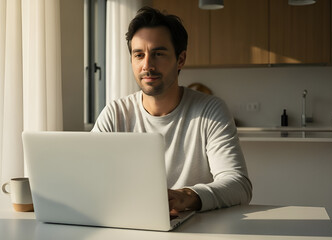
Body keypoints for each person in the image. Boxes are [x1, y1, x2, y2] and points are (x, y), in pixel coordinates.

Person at [91, 6, 252, 215]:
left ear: (181, 59)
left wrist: (187, 197)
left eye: (158, 54)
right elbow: (88, 175)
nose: (147, 65)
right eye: (139, 55)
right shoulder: (115, 113)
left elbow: (239, 185)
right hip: (129, 226)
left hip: (196, 229)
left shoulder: (210, 110)